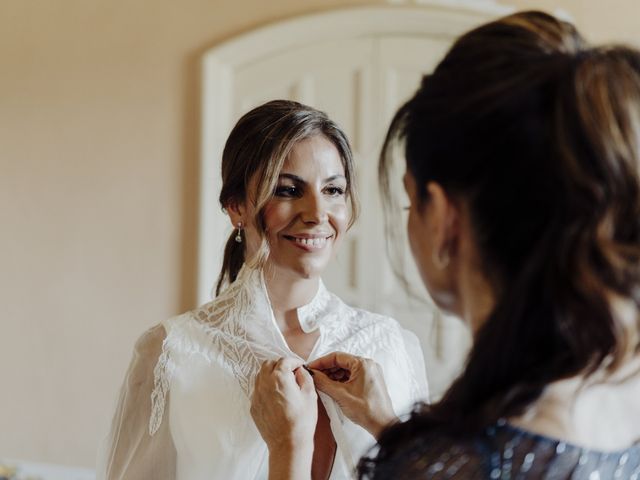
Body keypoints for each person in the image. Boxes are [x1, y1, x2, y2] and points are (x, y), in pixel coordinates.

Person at [250, 11, 640, 479]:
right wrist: (389, 427)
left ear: (443, 216)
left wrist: (289, 449)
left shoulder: (455, 461)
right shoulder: (618, 411)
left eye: (410, 199)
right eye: (289, 188)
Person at [97, 100, 429, 480]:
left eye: (333, 189)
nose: (317, 213)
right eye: (288, 190)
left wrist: (386, 427)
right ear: (236, 206)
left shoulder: (393, 347)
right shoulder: (170, 353)